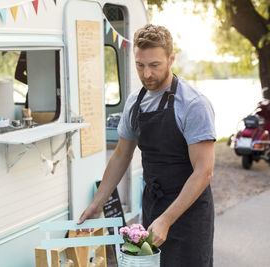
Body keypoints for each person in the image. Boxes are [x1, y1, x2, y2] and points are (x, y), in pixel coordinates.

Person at [78, 24, 216, 267]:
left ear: (172, 58)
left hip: (189, 211)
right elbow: (122, 154)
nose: (147, 74)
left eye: (154, 65)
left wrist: (167, 219)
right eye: (140, 65)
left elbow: (203, 172)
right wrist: (97, 203)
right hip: (153, 202)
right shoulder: (135, 101)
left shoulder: (193, 105)